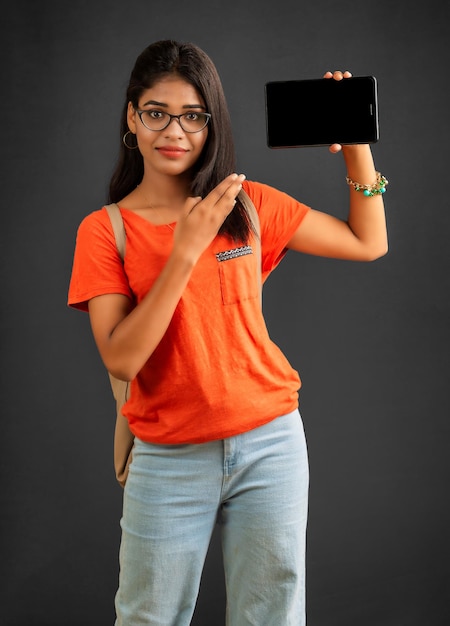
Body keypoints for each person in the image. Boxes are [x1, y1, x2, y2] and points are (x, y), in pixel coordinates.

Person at [68, 39, 388, 626]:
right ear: (131, 118)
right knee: (148, 616)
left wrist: (357, 152)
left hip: (271, 441)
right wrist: (185, 250)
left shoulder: (245, 205)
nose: (175, 131)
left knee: (272, 616)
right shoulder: (105, 231)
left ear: (211, 125)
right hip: (168, 455)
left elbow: (369, 243)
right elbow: (121, 358)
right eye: (156, 113)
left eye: (193, 116)